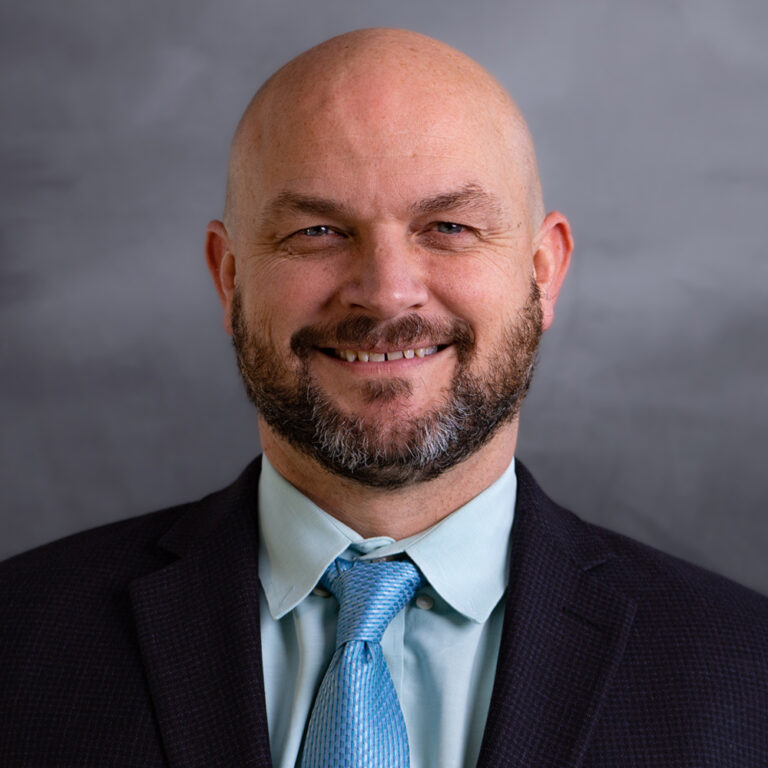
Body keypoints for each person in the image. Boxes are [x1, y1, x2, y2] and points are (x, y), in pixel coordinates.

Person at [1, 28, 766, 768]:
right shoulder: (21, 640)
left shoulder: (745, 674)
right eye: (319, 230)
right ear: (230, 277)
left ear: (543, 269)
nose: (387, 292)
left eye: (449, 226)